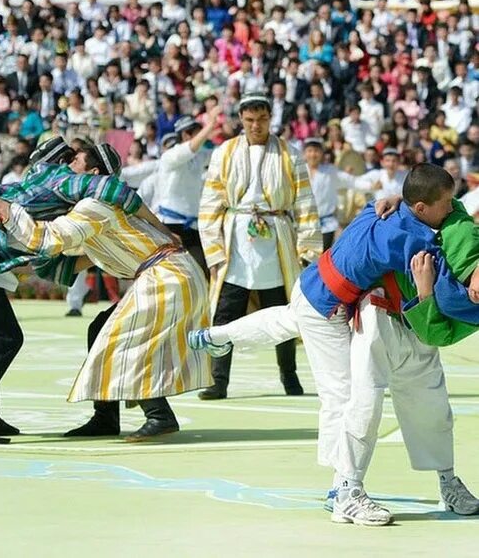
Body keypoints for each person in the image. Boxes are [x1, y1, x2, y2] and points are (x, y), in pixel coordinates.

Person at [190, 164, 479, 524]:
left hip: (316, 287)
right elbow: (447, 280)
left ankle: (216, 336)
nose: (452, 208)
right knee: (348, 396)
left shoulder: (383, 210)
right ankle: (343, 490)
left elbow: (421, 217)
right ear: (420, 208)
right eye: (446, 203)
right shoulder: (412, 240)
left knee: (283, 321)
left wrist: (389, 200)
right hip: (327, 307)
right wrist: (448, 281)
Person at [0, 138, 163, 445]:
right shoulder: (65, 179)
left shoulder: (45, 180)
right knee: (2, 337)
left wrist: (99, 255)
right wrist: (161, 229)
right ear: (95, 174)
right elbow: (117, 191)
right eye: (71, 160)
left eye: (74, 159)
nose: (69, 163)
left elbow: (50, 266)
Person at [0, 144, 211, 442]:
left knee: (120, 339)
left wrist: (5, 209)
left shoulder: (95, 206)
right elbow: (74, 259)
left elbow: (49, 240)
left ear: (93, 172)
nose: (64, 166)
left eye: (73, 161)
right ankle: (106, 417)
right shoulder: (96, 205)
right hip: (167, 274)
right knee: (100, 327)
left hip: (165, 276)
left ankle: (159, 415)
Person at [197, 92, 322, 399]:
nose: (256, 126)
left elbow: (305, 203)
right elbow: (211, 203)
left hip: (276, 240)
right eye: (250, 120)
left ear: (270, 118)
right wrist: (213, 250)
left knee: (283, 313)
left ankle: (289, 377)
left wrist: (307, 251)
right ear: (241, 119)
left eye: (262, 119)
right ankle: (218, 380)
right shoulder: (224, 153)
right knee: (225, 313)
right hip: (235, 242)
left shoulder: (290, 154)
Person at [155, 106, 222, 274]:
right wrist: (211, 124)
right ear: (185, 135)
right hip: (170, 226)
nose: (202, 138)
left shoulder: (199, 156)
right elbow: (191, 147)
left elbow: (220, 154)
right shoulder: (171, 155)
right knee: (171, 275)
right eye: (196, 133)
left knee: (202, 272)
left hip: (192, 226)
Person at [303, 137, 377, 251]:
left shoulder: (330, 171)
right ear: (305, 153)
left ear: (322, 153)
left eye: (316, 151)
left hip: (326, 225)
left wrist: (370, 186)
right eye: (310, 151)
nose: (313, 154)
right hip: (303, 223)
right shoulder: (299, 171)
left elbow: (351, 181)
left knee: (322, 257)